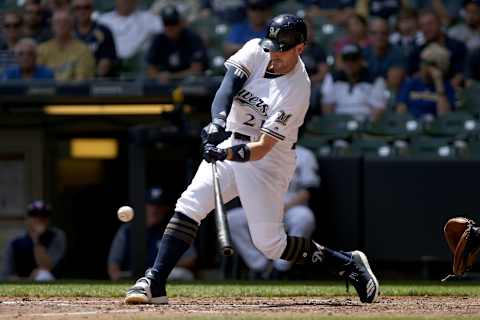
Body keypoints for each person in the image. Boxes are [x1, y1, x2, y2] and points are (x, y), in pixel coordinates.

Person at [124, 14, 379, 305]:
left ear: (300, 48)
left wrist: (224, 153)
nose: (274, 54)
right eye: (272, 46)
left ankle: (347, 263)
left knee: (271, 245)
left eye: (282, 49)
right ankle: (154, 281)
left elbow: (263, 147)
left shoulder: (297, 89)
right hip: (233, 138)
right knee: (190, 204)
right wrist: (217, 124)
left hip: (268, 160)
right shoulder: (257, 49)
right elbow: (227, 88)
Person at [228, 145, 319, 279]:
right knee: (232, 218)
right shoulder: (257, 152)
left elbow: (310, 189)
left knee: (305, 218)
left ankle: (281, 268)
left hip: (291, 207)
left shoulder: (304, 155)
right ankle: (261, 266)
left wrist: (285, 207)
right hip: (262, 210)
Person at [108, 187, 197, 281]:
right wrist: (115, 275)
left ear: (165, 209)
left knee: (184, 274)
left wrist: (160, 267)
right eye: (150, 205)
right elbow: (113, 262)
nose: (155, 209)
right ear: (143, 207)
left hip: (162, 274)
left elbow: (191, 259)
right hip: (134, 274)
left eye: (158, 205)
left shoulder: (175, 229)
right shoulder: (127, 230)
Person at [1, 200, 66, 281]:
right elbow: (5, 276)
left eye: (44, 215)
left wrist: (37, 239)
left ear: (49, 219)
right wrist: (29, 279)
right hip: (20, 287)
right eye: (34, 215)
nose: (39, 219)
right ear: (27, 219)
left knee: (43, 275)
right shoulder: (15, 241)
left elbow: (46, 266)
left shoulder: (56, 236)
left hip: (53, 287)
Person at [322, 44, 387, 121]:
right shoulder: (332, 78)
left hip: (364, 123)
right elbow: (327, 106)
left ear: (361, 61)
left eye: (353, 59)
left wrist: (369, 127)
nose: (349, 64)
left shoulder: (375, 79)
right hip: (338, 123)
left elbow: (378, 109)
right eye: (346, 60)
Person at [145, 5, 208, 83]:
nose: (170, 27)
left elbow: (197, 69)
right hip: (163, 85)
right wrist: (159, 76)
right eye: (166, 23)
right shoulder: (158, 39)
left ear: (180, 23)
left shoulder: (192, 38)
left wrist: (171, 77)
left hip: (190, 84)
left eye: (173, 23)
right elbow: (150, 68)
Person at [408, 10, 467, 87]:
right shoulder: (418, 50)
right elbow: (412, 76)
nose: (426, 28)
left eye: (430, 24)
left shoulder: (457, 47)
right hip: (425, 91)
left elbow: (462, 74)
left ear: (440, 23)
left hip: (451, 90)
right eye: (422, 25)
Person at [396, 43, 456, 119]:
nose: (423, 66)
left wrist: (438, 82)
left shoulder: (446, 87)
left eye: (428, 64)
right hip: (413, 125)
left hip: (436, 127)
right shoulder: (411, 83)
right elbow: (400, 109)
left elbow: (445, 116)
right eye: (423, 62)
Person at [37, 9, 95, 81]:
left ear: (72, 25)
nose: (61, 25)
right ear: (52, 25)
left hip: (72, 91)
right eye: (57, 22)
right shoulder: (42, 49)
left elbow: (81, 80)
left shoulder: (83, 50)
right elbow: (36, 77)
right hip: (46, 91)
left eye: (65, 22)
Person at [98, 0, 163, 61]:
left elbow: (169, 31)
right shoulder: (103, 20)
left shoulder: (149, 18)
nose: (125, 1)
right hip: (109, 63)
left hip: (139, 64)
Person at [73, 0, 118, 78]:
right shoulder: (68, 31)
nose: (82, 11)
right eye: (78, 8)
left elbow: (105, 63)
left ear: (92, 9)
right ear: (73, 11)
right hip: (69, 81)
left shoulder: (104, 31)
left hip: (97, 82)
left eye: (86, 7)